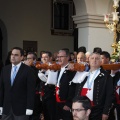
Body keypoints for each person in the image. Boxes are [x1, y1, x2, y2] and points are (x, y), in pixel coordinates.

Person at [0, 47, 36, 120]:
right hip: (6, 109)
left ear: (22, 57)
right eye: (12, 54)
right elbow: (1, 88)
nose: (13, 56)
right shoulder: (5, 69)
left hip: (21, 109)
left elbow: (31, 91)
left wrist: (29, 107)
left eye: (16, 55)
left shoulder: (28, 70)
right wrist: (0, 105)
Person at [75, 52, 113, 120]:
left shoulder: (106, 76)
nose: (94, 60)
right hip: (82, 109)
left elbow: (109, 95)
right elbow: (76, 91)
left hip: (97, 110)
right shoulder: (83, 74)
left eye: (97, 58)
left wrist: (105, 112)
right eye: (92, 58)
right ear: (89, 60)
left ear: (101, 61)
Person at [56, 48, 76, 120]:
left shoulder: (71, 70)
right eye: (58, 57)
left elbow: (72, 88)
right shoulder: (58, 69)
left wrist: (68, 103)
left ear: (67, 57)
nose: (59, 59)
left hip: (65, 103)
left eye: (61, 57)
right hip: (57, 101)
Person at [24, 52, 42, 120]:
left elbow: (34, 80)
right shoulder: (25, 68)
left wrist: (28, 67)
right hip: (26, 95)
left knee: (34, 115)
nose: (27, 60)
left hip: (35, 95)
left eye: (29, 58)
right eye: (27, 58)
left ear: (34, 60)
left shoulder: (38, 68)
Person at [39, 51, 56, 120]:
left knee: (51, 115)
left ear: (50, 58)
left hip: (51, 96)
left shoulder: (54, 68)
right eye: (42, 57)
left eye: (46, 57)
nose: (44, 59)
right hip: (42, 96)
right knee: (44, 115)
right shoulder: (40, 67)